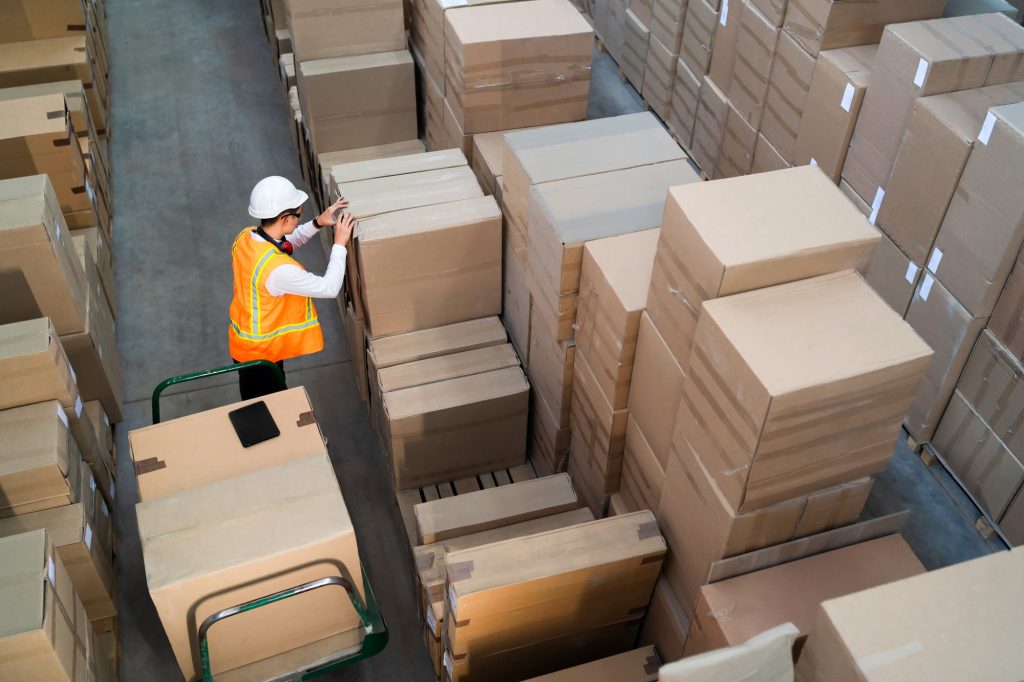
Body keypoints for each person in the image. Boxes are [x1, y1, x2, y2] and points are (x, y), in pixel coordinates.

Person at [229, 176, 356, 399]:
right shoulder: (278, 270)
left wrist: (318, 222)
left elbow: (286, 241)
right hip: (260, 356)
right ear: (285, 218)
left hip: (250, 343)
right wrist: (339, 245)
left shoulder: (247, 238)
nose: (299, 219)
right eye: (298, 215)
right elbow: (328, 288)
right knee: (273, 408)